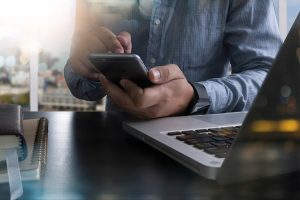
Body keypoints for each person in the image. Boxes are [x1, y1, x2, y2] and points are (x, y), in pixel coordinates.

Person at [64, 0, 282, 119]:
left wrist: (197, 97)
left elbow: (269, 78)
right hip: (113, 144)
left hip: (197, 135)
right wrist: (87, 66)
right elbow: (80, 85)